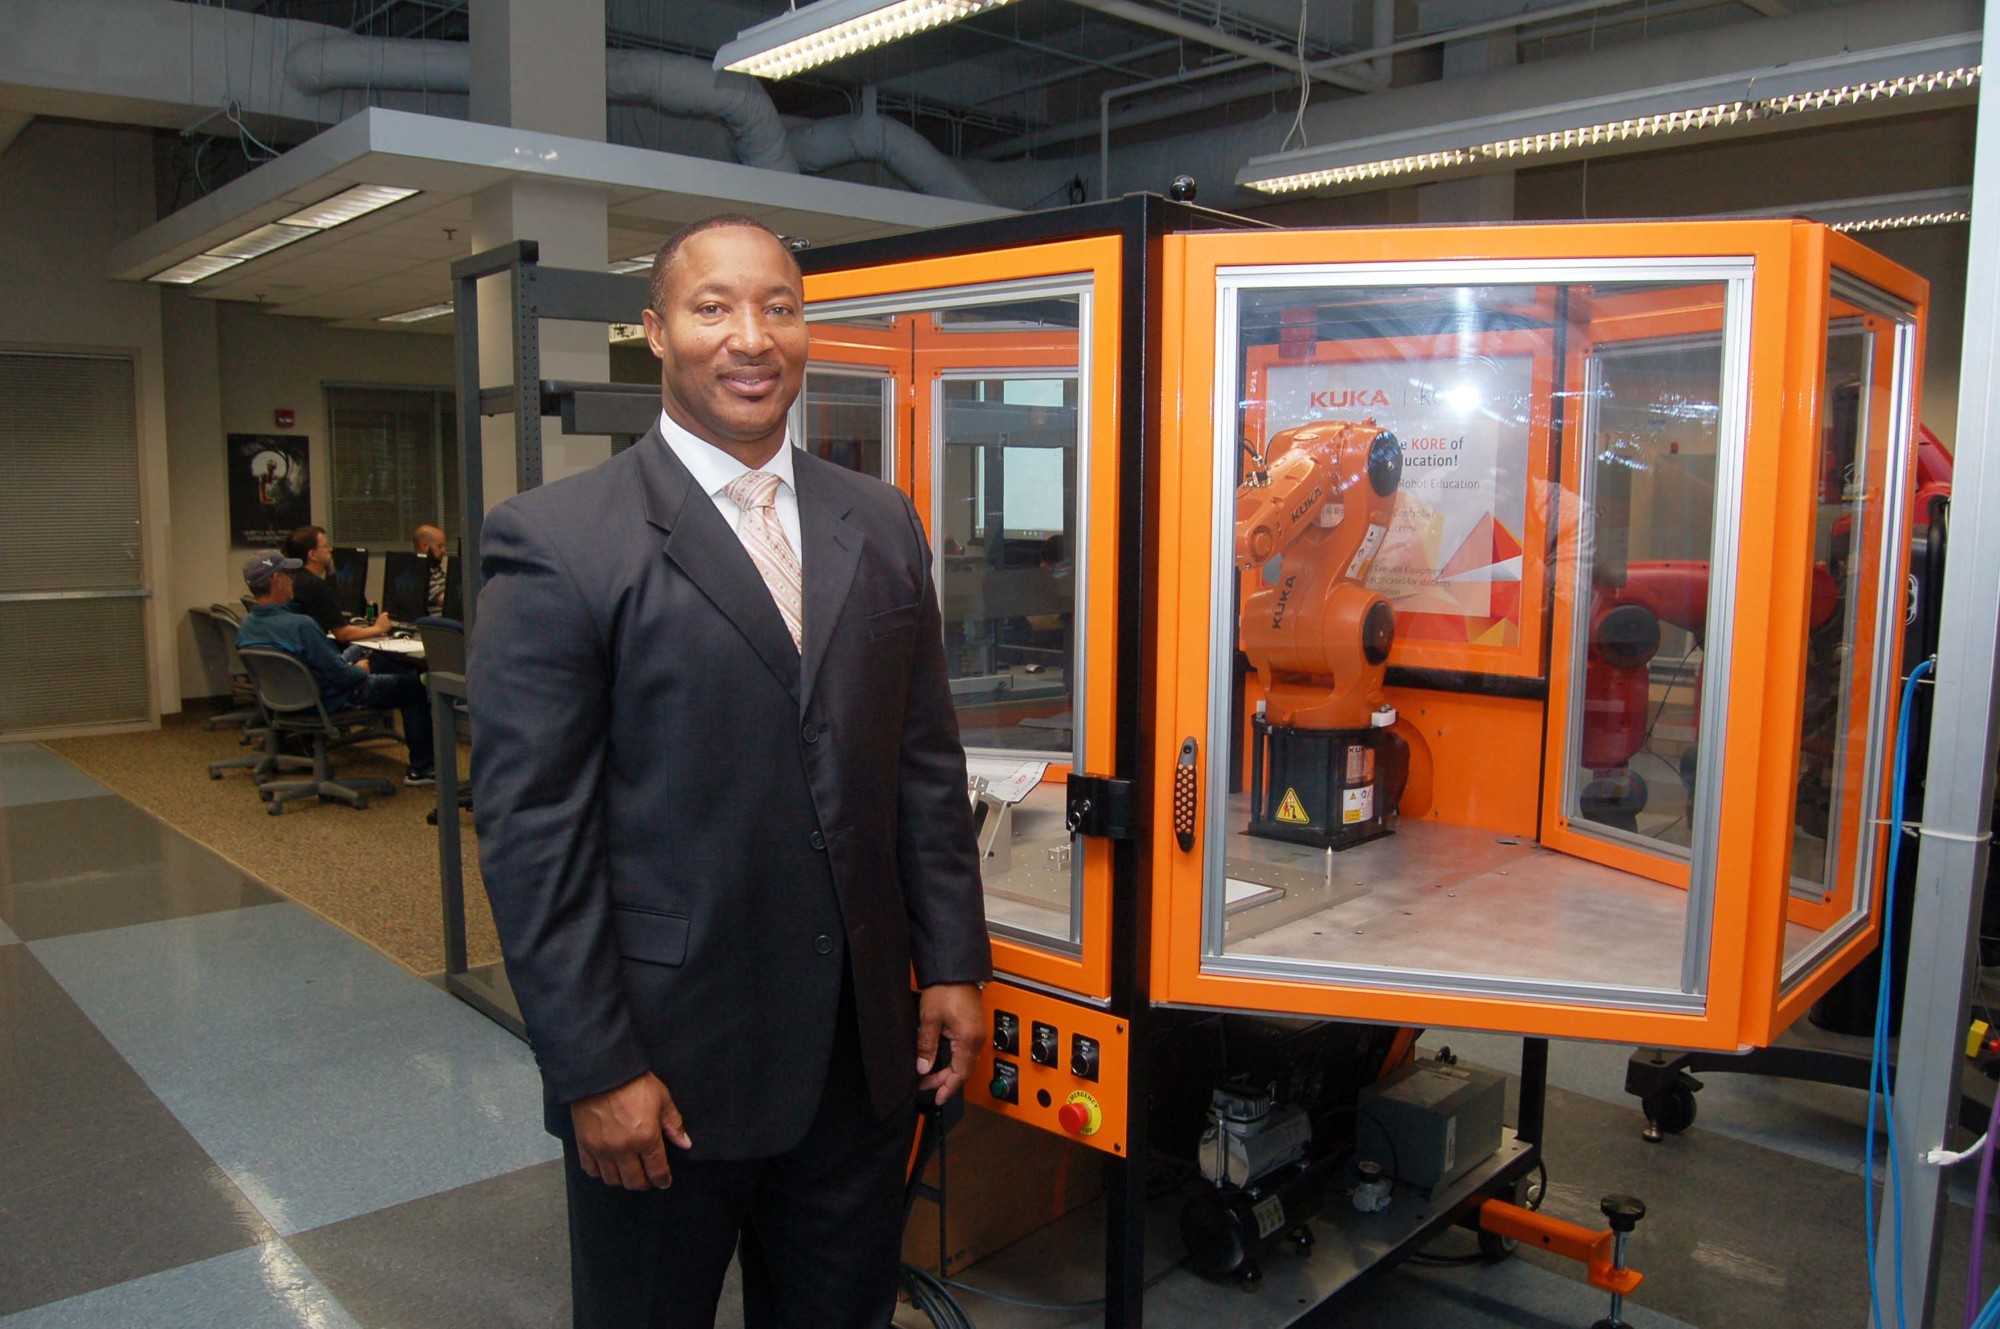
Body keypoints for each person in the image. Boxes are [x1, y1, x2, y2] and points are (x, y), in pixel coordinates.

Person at [469, 215, 990, 1329]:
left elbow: (921, 764)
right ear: (654, 331)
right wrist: (594, 1068)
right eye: (713, 308)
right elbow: (531, 836)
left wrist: (950, 958)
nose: (749, 338)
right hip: (665, 1077)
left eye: (779, 307)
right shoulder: (559, 541)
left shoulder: (880, 521)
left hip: (855, 1066)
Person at [234, 550, 436, 786]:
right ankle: (422, 770)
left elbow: (324, 662)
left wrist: (359, 649)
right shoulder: (301, 625)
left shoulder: (248, 625)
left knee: (375, 659)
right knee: (411, 685)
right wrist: (363, 669)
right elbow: (343, 676)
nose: (293, 580)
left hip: (287, 701)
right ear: (277, 579)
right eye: (289, 574)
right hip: (333, 699)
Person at [283, 525, 392, 645]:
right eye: (325, 546)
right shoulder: (314, 586)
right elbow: (343, 634)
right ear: (313, 555)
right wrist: (378, 628)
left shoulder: (287, 580)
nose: (330, 549)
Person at [412, 524, 449, 616]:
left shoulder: (434, 567)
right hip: (435, 625)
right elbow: (445, 601)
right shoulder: (418, 570)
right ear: (425, 546)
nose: (443, 550)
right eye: (439, 546)